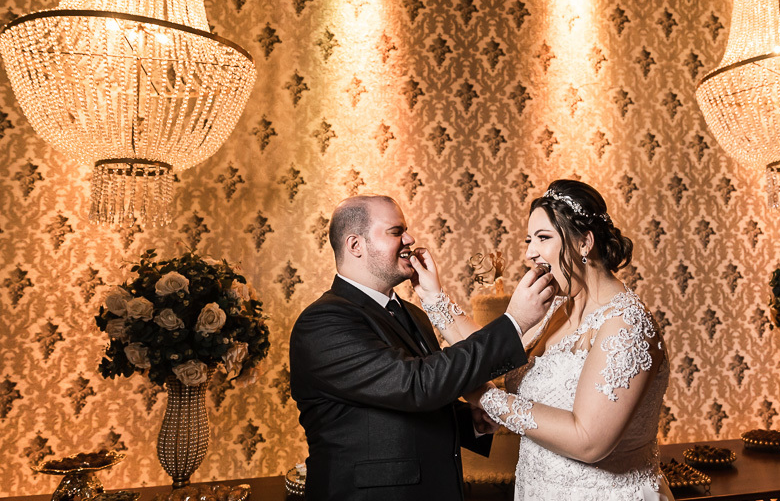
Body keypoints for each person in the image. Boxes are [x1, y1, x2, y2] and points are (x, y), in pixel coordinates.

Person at [412, 179, 673, 501]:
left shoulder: (626, 324)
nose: (529, 253)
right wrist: (432, 296)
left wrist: (484, 397)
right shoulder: (558, 310)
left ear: (584, 242)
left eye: (543, 238)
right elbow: (486, 351)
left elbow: (588, 441)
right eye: (528, 240)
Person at [288, 194, 555, 501]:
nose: (410, 239)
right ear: (355, 245)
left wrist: (471, 422)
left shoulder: (411, 313)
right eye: (395, 231)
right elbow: (415, 385)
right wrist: (514, 322)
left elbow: (407, 405)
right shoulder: (323, 322)